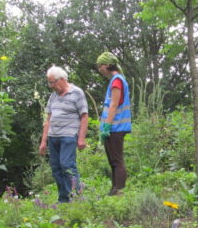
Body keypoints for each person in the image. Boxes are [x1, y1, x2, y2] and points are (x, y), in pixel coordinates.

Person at [38, 66, 88, 203]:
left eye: (52, 82)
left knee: (67, 165)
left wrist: (81, 138)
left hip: (69, 135)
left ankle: (77, 197)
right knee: (56, 168)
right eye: (49, 83)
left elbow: (84, 117)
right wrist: (43, 141)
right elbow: (47, 119)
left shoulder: (77, 93)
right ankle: (64, 199)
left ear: (61, 79)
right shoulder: (53, 96)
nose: (50, 86)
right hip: (53, 137)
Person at [96, 52, 132, 196]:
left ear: (108, 65)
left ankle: (119, 191)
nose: (99, 69)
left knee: (117, 160)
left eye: (101, 65)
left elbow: (114, 104)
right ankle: (114, 189)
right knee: (113, 160)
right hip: (114, 127)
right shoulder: (116, 80)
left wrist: (107, 126)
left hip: (116, 127)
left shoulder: (117, 81)